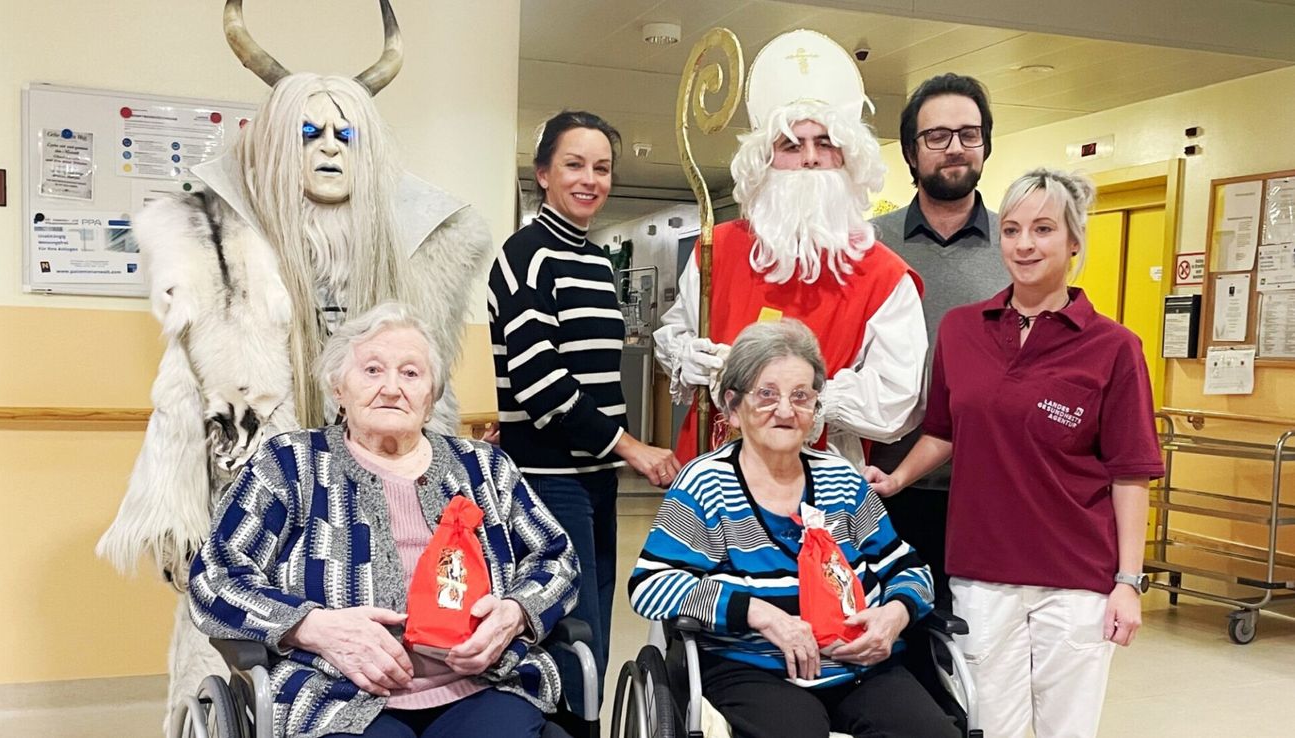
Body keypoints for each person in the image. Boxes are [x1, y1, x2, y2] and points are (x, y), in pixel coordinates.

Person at [97, 1, 493, 725]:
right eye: (309, 134)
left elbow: (427, 394)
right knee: (237, 654)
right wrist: (182, 508)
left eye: (346, 135)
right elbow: (183, 393)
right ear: (278, 145)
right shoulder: (220, 253)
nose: (330, 150)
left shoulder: (412, 253)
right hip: (257, 498)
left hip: (373, 512)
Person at [865, 169, 1164, 738]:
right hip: (982, 573)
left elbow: (1130, 474)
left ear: (1074, 242)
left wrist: (1128, 581)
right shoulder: (960, 330)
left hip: (1076, 578)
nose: (1025, 244)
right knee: (990, 728)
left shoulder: (1115, 348)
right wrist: (897, 480)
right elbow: (945, 431)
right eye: (1013, 230)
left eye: (1044, 229)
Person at [189, 303, 579, 738]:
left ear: (430, 397)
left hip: (484, 685)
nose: (392, 388)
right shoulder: (291, 464)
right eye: (372, 370)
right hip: (332, 693)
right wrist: (311, 627)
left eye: (411, 374)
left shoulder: (483, 468)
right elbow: (215, 578)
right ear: (339, 388)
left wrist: (516, 612)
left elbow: (557, 558)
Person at [631, 320, 955, 738]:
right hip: (755, 666)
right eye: (766, 394)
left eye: (801, 396)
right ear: (733, 406)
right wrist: (760, 614)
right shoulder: (705, 483)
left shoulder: (841, 479)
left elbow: (908, 569)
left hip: (859, 664)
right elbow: (652, 585)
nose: (785, 411)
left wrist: (893, 616)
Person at [486, 110, 680, 733]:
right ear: (543, 173)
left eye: (601, 168)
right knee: (567, 643)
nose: (589, 179)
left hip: (594, 479)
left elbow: (596, 378)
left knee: (591, 632)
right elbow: (543, 388)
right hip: (546, 481)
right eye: (574, 165)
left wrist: (616, 454)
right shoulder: (525, 257)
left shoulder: (597, 263)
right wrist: (634, 448)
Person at [655, 29, 927, 469]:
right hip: (712, 470)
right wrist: (691, 356)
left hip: (820, 481)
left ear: (848, 159)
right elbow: (676, 333)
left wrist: (802, 399)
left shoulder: (885, 277)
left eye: (825, 144)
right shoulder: (716, 249)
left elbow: (897, 398)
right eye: (790, 145)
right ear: (764, 160)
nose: (810, 158)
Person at [868, 73, 1011, 610]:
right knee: (889, 644)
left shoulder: (1016, 243)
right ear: (910, 151)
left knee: (980, 653)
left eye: (969, 134)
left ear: (986, 145)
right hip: (884, 485)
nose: (955, 148)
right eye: (937, 136)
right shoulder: (869, 244)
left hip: (990, 490)